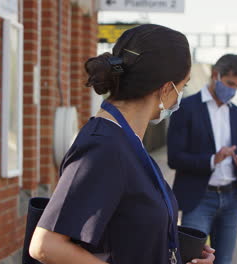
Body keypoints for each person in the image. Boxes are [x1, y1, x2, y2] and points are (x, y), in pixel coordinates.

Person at [28, 24, 215, 264]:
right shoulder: (104, 147)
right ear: (166, 89)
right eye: (183, 86)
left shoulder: (126, 141)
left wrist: (180, 250)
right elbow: (46, 245)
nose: (180, 95)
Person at [167, 54, 237, 264]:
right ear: (216, 75)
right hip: (199, 199)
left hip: (231, 198)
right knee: (193, 259)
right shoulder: (185, 109)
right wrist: (212, 160)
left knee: (224, 260)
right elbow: (174, 158)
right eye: (230, 83)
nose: (233, 90)